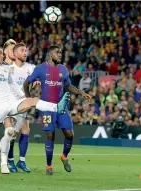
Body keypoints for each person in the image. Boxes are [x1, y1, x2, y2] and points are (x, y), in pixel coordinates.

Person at [0, 44, 70, 176]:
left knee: (32, 101)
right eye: (0, 53)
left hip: (11, 103)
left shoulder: (6, 68)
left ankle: (57, 107)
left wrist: (23, 98)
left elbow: (13, 84)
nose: (2, 55)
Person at [23, 45, 92, 175]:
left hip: (61, 107)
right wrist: (28, 99)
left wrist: (81, 92)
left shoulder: (63, 69)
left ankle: (64, 156)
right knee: (50, 134)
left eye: (61, 52)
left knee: (70, 134)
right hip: (47, 108)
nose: (60, 55)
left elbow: (68, 85)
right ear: (50, 54)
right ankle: (49, 166)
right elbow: (26, 83)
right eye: (57, 53)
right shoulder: (40, 69)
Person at [0, 40, 34, 173]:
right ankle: (8, 161)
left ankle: (21, 160)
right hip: (10, 104)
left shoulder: (29, 67)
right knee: (12, 132)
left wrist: (37, 80)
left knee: (24, 130)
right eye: (9, 50)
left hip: (23, 103)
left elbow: (35, 78)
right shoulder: (6, 68)